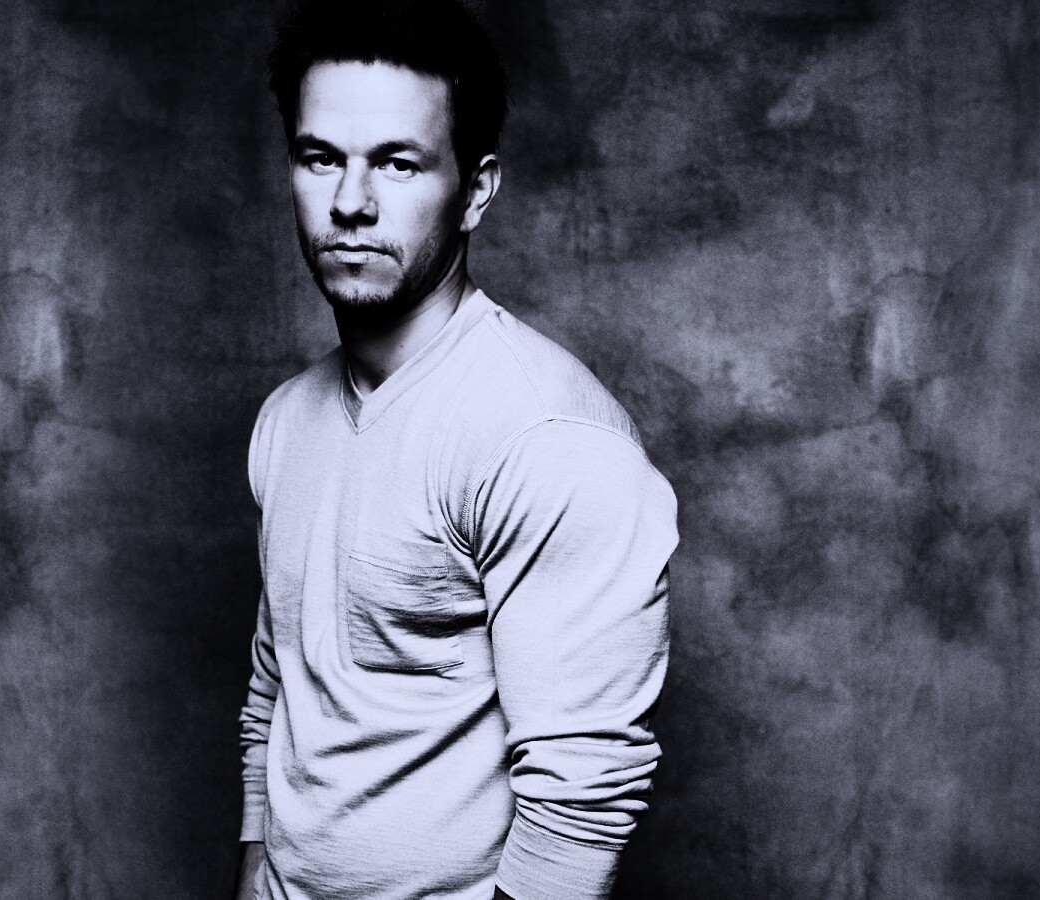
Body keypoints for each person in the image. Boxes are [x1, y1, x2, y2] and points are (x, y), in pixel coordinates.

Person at [235, 2, 679, 898]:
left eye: (398, 163)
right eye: (321, 158)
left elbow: (582, 793)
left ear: (476, 191)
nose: (350, 203)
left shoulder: (545, 438)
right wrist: (254, 869)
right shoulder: (285, 421)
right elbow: (278, 688)